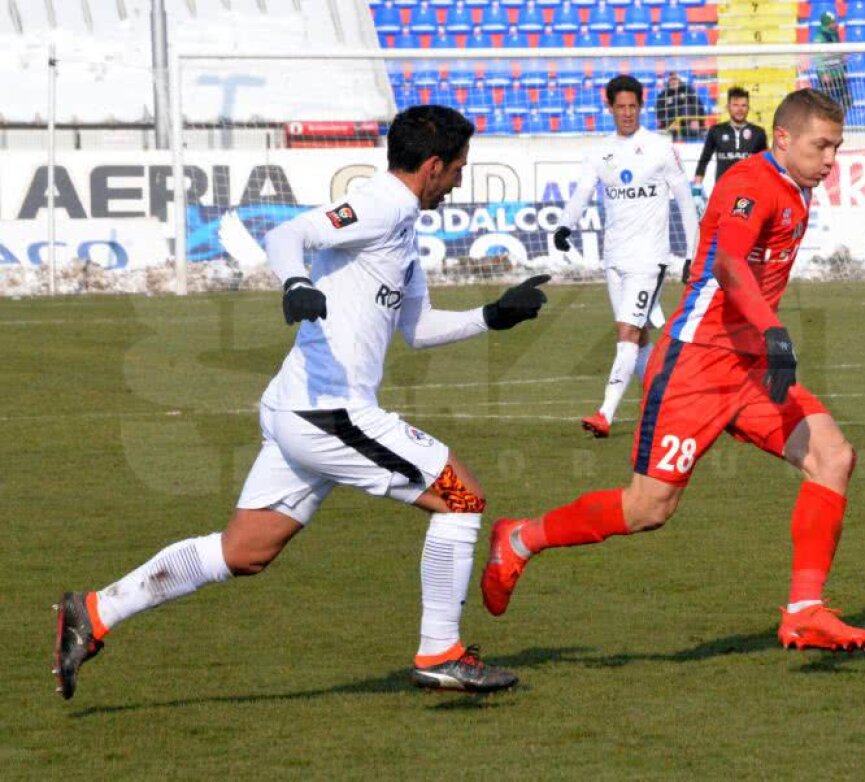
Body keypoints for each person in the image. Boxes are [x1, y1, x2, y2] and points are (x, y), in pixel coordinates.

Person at [52, 106, 551, 700]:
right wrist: (295, 282)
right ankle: (441, 651)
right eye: (459, 169)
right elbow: (287, 234)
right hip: (329, 412)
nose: (461, 181)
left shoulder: (402, 226)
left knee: (244, 551)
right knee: (463, 498)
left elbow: (416, 328)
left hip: (299, 409)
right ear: (434, 165)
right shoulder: (381, 204)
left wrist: (491, 317)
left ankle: (95, 610)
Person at [483, 89, 865, 655]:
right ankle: (520, 538)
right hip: (695, 363)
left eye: (837, 148)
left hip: (748, 366)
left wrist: (762, 340)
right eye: (822, 146)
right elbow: (727, 262)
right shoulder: (749, 182)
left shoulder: (798, 186)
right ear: (784, 138)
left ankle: (804, 611)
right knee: (648, 508)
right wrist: (773, 331)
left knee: (833, 457)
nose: (832, 161)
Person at [555, 75, 700, 439]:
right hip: (614, 259)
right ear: (610, 108)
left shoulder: (659, 148)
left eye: (633, 106)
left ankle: (605, 412)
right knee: (642, 337)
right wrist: (565, 225)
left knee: (627, 332)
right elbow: (583, 191)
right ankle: (668, 400)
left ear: (641, 106)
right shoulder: (600, 151)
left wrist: (690, 255)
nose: (627, 113)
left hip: (650, 258)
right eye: (620, 107)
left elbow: (685, 201)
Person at [693, 86, 770, 186]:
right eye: (735, 105)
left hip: (750, 190)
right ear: (728, 107)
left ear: (748, 108)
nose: (740, 109)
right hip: (723, 190)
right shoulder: (716, 130)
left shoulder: (758, 132)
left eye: (744, 105)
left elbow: (766, 164)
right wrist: (697, 188)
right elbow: (704, 160)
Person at [814, 12, 852, 111]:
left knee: (847, 100)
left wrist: (843, 58)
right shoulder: (820, 38)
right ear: (827, 24)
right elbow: (818, 57)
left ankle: (839, 121)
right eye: (833, 22)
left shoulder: (835, 35)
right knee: (827, 104)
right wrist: (823, 73)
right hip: (829, 77)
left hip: (839, 74)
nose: (836, 24)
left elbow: (837, 51)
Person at [655, 72, 707, 141]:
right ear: (668, 81)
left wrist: (698, 121)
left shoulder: (688, 90)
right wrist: (668, 124)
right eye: (671, 80)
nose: (673, 82)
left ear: (679, 80)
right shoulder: (663, 94)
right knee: (664, 137)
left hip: (688, 123)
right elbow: (659, 111)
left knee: (694, 133)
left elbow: (699, 105)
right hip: (671, 125)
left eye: (675, 79)